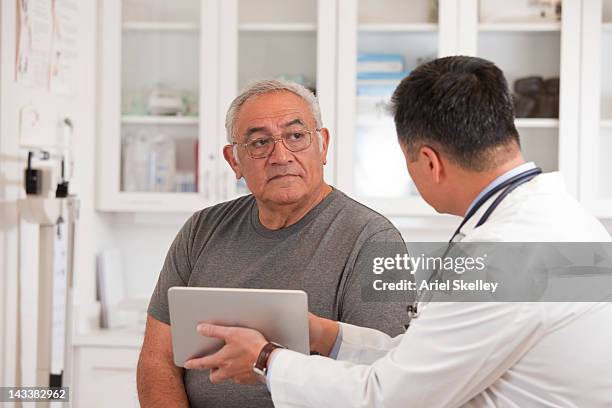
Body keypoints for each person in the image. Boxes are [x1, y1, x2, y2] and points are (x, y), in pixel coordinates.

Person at [183, 56, 612, 407]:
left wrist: (265, 360)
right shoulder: (554, 221)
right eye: (258, 143)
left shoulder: (506, 253)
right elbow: (422, 362)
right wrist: (327, 335)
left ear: (430, 162)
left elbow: (388, 398)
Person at [136, 80, 410, 407]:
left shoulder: (374, 240)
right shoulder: (201, 230)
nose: (280, 156)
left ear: (322, 145)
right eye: (259, 142)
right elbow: (157, 359)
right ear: (234, 160)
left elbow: (382, 379)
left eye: (296, 136)